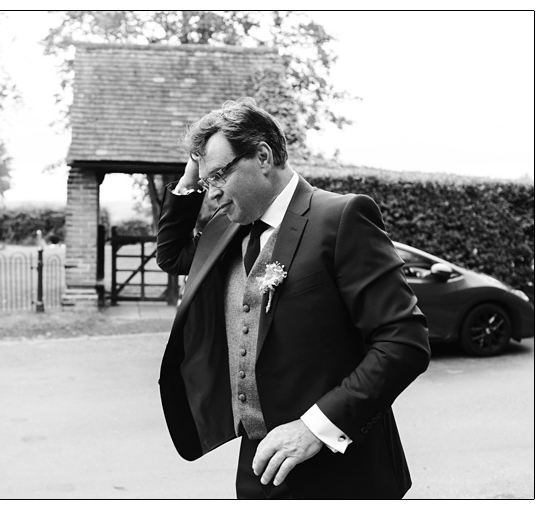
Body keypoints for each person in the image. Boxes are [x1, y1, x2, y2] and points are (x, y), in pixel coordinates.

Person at [155, 98, 430, 499]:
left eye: (218, 177)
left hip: (345, 470)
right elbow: (171, 255)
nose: (211, 194)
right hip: (261, 468)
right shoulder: (225, 229)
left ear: (262, 156)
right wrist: (188, 179)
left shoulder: (341, 217)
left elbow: (404, 342)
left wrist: (314, 428)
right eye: (206, 181)